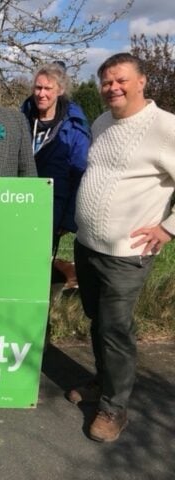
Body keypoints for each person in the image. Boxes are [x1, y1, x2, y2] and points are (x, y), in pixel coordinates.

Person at [69, 53, 175, 442]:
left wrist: (168, 229)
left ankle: (114, 408)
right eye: (107, 81)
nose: (112, 87)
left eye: (121, 80)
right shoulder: (102, 122)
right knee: (98, 321)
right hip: (89, 245)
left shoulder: (166, 127)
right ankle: (103, 381)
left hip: (127, 254)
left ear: (141, 81)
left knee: (115, 327)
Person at [21, 62, 90, 290]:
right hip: (19, 205)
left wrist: (68, 218)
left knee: (39, 265)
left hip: (53, 209)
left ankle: (40, 317)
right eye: (38, 88)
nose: (41, 94)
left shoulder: (74, 128)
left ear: (59, 90)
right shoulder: (21, 119)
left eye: (47, 89)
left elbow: (80, 175)